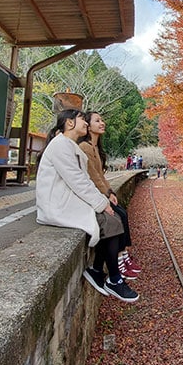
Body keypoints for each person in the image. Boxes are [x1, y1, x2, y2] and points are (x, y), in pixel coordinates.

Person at [36, 109, 138, 303]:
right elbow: (78, 181)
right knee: (111, 220)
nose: (85, 123)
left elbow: (82, 180)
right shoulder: (61, 146)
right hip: (57, 204)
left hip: (66, 199)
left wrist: (103, 202)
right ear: (69, 123)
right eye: (82, 119)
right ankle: (113, 279)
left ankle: (99, 271)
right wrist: (102, 203)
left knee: (112, 219)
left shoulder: (69, 145)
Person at [80, 111, 143, 280]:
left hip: (99, 193)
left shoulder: (94, 147)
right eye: (97, 121)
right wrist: (107, 193)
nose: (102, 123)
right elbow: (93, 175)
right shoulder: (85, 147)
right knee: (117, 216)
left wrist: (111, 191)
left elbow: (101, 175)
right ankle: (120, 259)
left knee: (121, 212)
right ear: (88, 126)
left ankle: (123, 255)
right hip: (92, 195)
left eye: (102, 120)